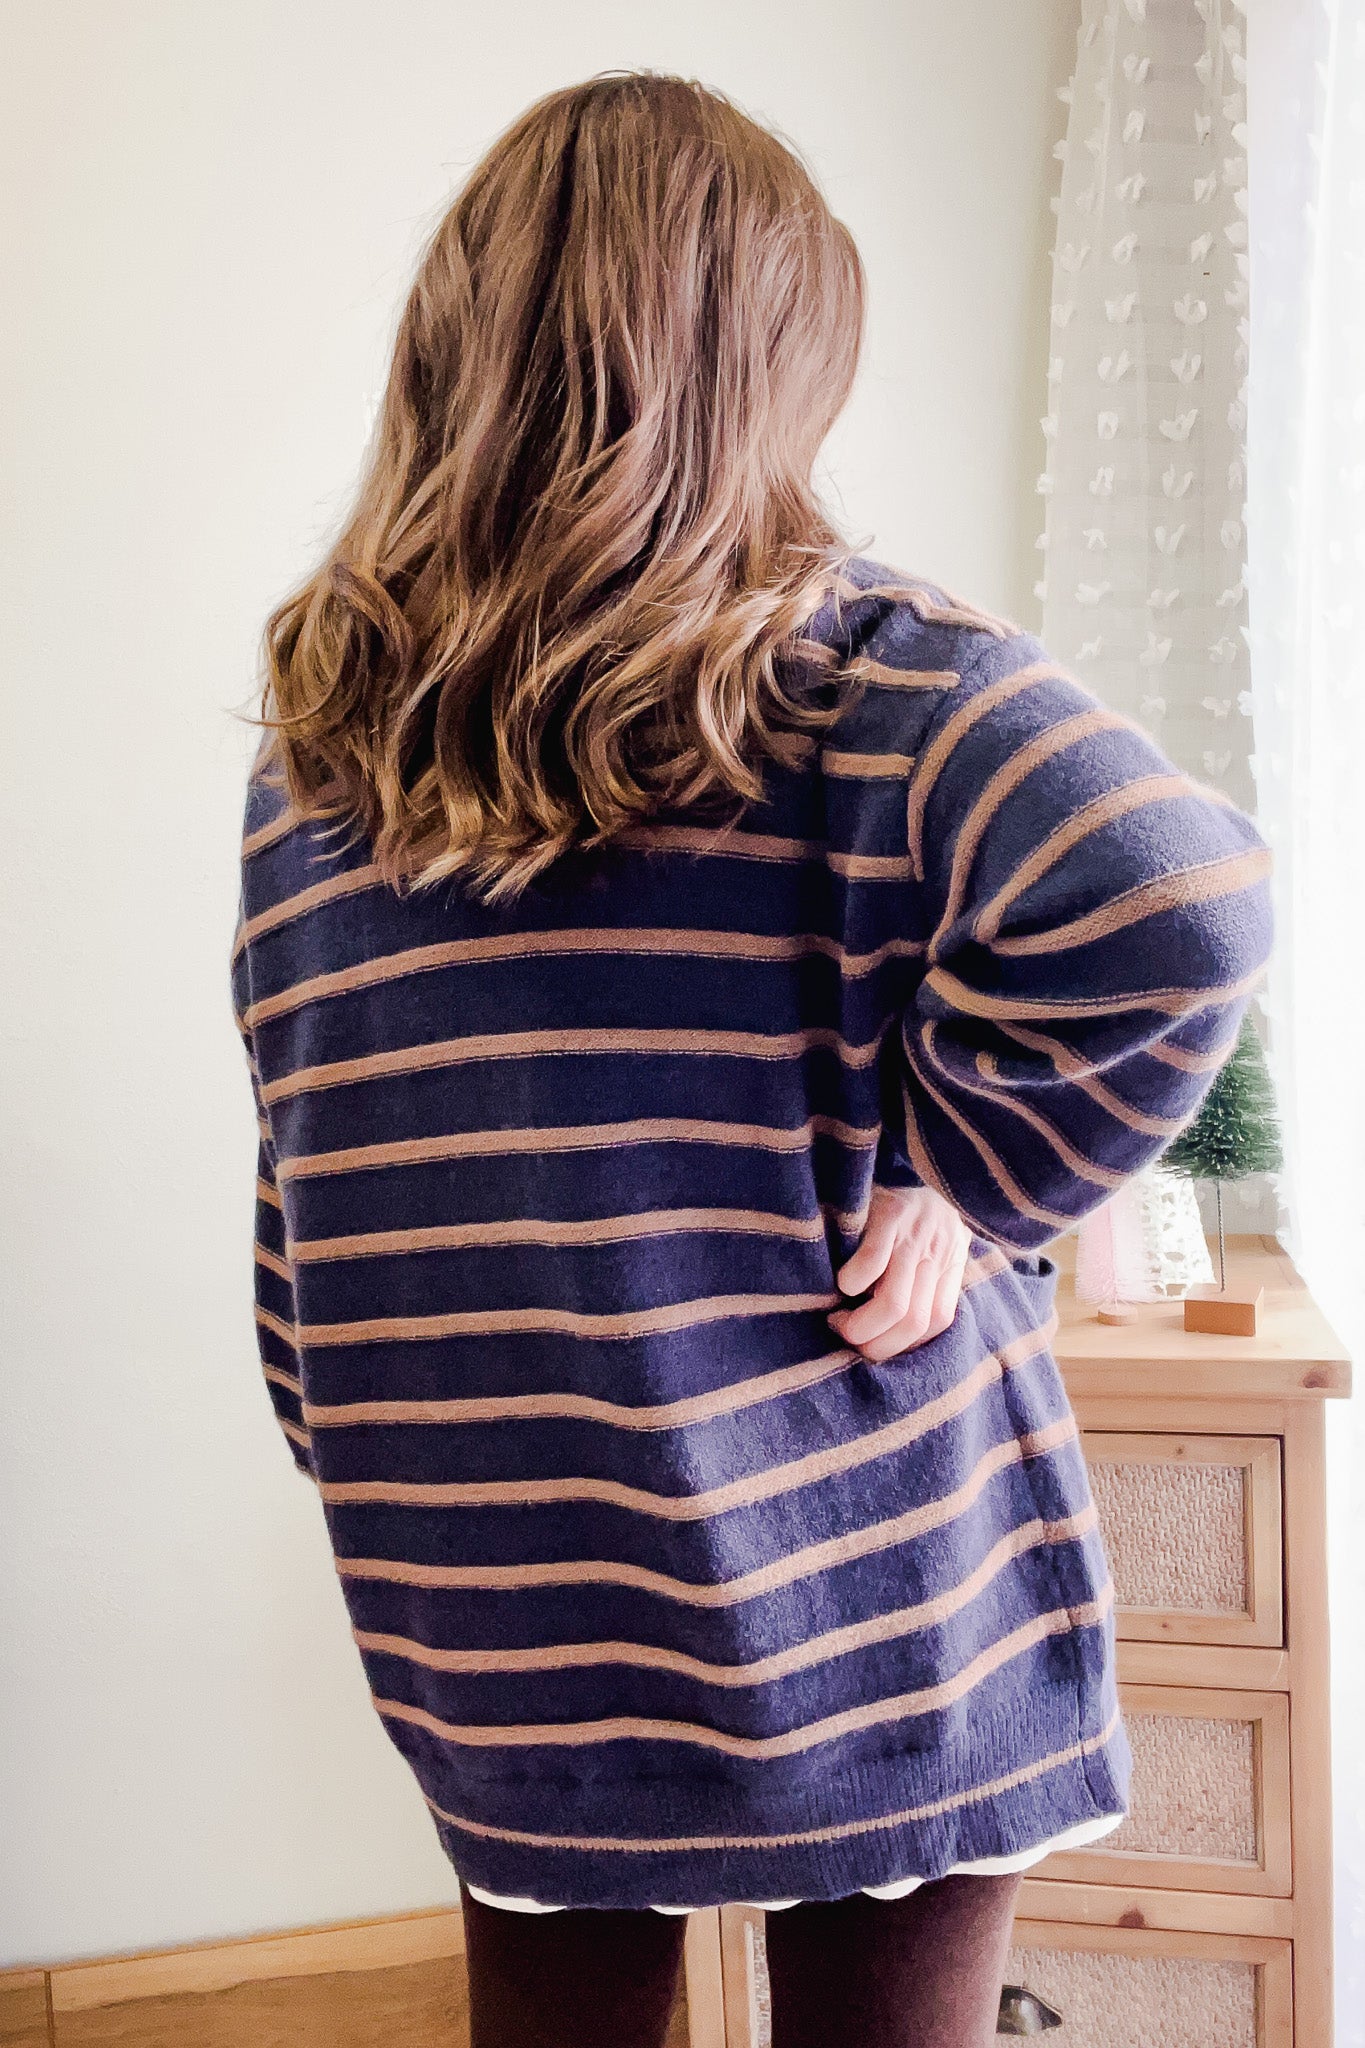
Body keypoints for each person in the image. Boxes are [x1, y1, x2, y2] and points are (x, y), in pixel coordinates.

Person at [231, 71, 1273, 2048]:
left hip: (499, 1583)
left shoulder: (322, 748)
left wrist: (351, 1424)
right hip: (859, 1584)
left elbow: (305, 1151)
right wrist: (977, 1172)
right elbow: (1178, 896)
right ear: (766, 371)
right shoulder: (874, 674)